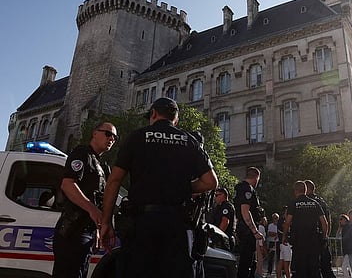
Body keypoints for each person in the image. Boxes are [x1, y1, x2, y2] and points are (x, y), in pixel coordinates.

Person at [100, 97, 218, 278]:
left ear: (153, 114)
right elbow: (211, 182)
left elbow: (114, 181)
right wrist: (184, 187)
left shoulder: (137, 137)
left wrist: (106, 222)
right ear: (175, 119)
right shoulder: (189, 141)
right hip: (177, 226)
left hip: (142, 224)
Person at [53, 122, 117, 278]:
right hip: (72, 231)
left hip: (86, 232)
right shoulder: (82, 154)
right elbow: (68, 184)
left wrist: (100, 227)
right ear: (95, 133)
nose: (111, 139)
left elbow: (101, 200)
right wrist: (92, 209)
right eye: (108, 134)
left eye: (115, 137)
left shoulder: (103, 166)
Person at [283, 181, 328, 278]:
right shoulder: (315, 203)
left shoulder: (293, 203)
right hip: (313, 241)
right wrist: (324, 237)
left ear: (295, 191)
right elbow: (324, 223)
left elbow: (287, 222)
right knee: (314, 269)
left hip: (299, 241)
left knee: (299, 269)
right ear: (305, 190)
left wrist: (284, 236)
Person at [234, 166, 265, 278]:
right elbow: (245, 211)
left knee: (249, 262)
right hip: (247, 230)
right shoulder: (247, 189)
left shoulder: (239, 188)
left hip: (242, 228)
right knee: (246, 263)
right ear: (256, 177)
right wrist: (255, 231)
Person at [305, 179, 336, 278]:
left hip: (312, 238)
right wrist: (325, 236)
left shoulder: (308, 202)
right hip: (322, 238)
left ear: (308, 189)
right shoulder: (322, 201)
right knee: (326, 268)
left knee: (313, 268)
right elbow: (328, 220)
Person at [277, 206, 292, 278]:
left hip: (282, 244)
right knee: (287, 264)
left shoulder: (281, 220)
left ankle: (279, 276)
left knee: (281, 262)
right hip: (286, 244)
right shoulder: (283, 221)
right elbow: (286, 229)